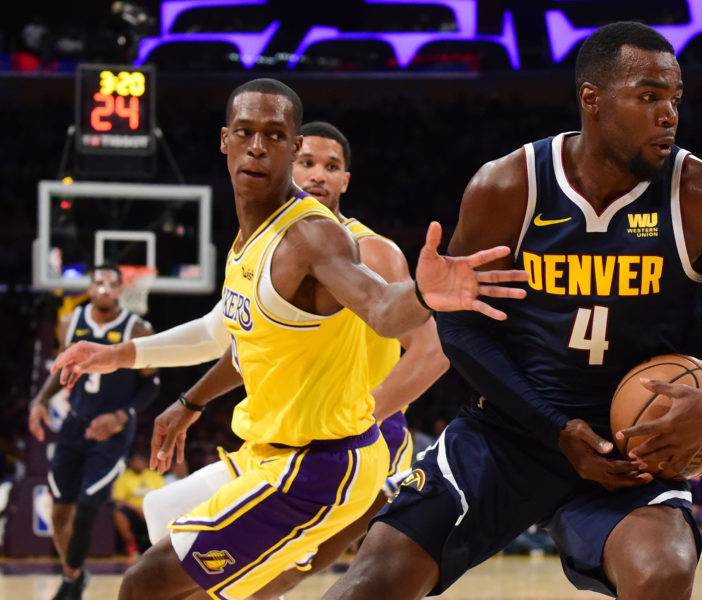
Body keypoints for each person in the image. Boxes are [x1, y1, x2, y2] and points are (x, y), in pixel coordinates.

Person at [321, 22, 702, 600]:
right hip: (513, 429)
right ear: (593, 100)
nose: (669, 115)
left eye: (674, 98)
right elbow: (460, 328)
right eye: (648, 96)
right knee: (374, 579)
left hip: (633, 447)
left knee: (662, 572)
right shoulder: (509, 186)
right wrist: (554, 428)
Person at [52, 78, 525, 600]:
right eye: (246, 132)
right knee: (165, 522)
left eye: (275, 136)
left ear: (301, 153)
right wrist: (155, 378)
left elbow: (387, 312)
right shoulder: (252, 239)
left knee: (150, 583)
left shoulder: (323, 239)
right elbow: (231, 333)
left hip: (324, 458)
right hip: (271, 447)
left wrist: (425, 295)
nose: (258, 146)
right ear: (224, 140)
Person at [28, 264, 159, 600]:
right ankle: (74, 574)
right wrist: (40, 401)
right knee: (61, 510)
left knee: (88, 506)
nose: (103, 289)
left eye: (111, 284)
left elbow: (151, 386)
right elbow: (62, 371)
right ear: (89, 287)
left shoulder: (138, 328)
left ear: (121, 290)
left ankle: (69, 585)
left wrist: (120, 415)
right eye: (98, 283)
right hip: (75, 425)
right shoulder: (69, 323)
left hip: (112, 432)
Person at [112, 451, 165, 563]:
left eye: (140, 461)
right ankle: (132, 547)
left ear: (145, 462)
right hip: (132, 510)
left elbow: (162, 494)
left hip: (153, 509)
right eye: (135, 461)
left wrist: (148, 509)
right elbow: (119, 499)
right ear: (130, 463)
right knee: (118, 513)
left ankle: (162, 548)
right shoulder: (124, 477)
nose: (138, 463)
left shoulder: (154, 476)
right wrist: (137, 509)